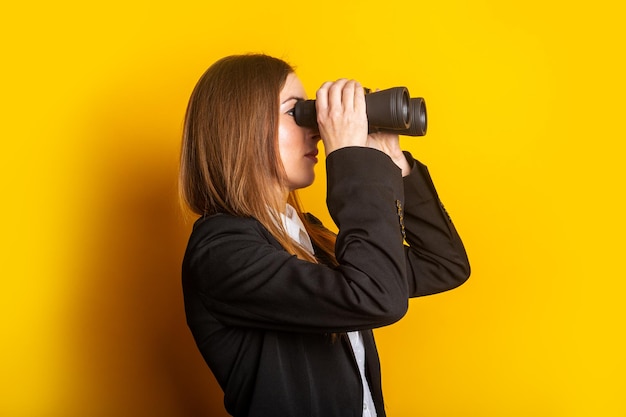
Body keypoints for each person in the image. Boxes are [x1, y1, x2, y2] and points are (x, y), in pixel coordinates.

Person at [179, 54, 470, 417]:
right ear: (238, 128)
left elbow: (443, 264)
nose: (316, 128)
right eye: (295, 112)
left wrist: (393, 163)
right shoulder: (221, 252)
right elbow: (376, 297)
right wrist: (352, 159)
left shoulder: (306, 234)